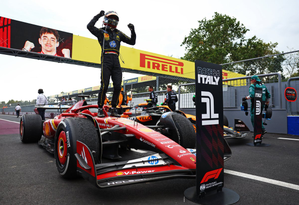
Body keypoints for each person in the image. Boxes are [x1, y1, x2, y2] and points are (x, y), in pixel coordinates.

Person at [87, 10, 136, 117]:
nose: (113, 21)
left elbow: (132, 41)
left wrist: (132, 30)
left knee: (118, 86)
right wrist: (98, 15)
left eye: (115, 19)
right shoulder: (101, 32)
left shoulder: (119, 33)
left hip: (116, 61)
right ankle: (100, 108)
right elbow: (89, 26)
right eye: (111, 18)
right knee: (104, 85)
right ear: (106, 20)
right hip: (106, 59)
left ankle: (113, 108)